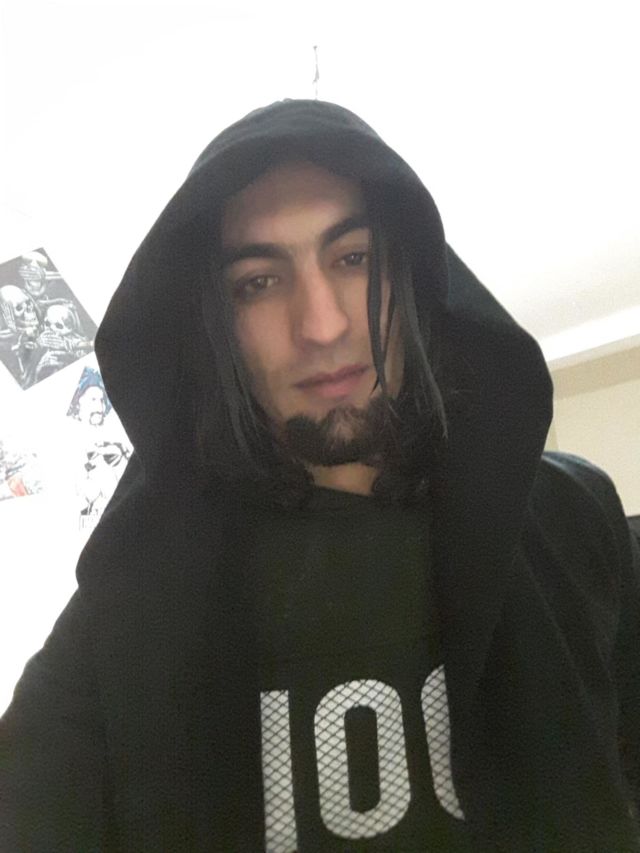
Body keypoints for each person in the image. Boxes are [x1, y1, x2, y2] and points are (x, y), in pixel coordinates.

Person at [1, 99, 638, 852]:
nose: (323, 325)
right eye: (258, 283)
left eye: (353, 258)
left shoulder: (572, 516)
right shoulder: (126, 615)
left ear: (411, 274)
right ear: (216, 327)